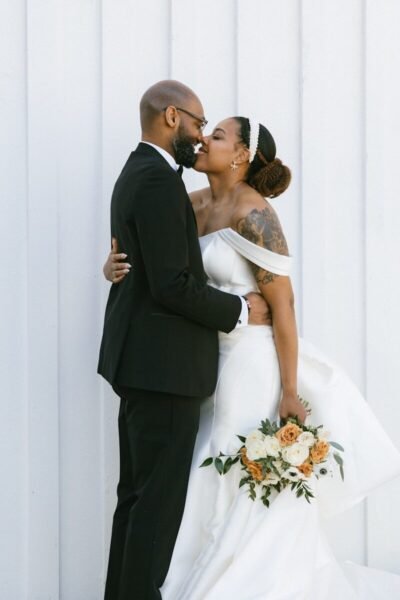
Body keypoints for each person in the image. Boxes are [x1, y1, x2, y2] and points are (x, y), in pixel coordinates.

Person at [104, 115, 400, 598]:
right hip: (195, 360)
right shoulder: (189, 203)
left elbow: (283, 307)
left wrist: (288, 390)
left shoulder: (255, 214)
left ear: (241, 155)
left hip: (248, 364)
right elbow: (160, 267)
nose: (203, 139)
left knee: (226, 465)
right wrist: (112, 265)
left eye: (217, 135)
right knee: (192, 473)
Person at [97, 81, 272, 600]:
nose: (199, 136)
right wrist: (240, 309)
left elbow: (148, 266)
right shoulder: (155, 180)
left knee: (136, 499)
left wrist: (115, 267)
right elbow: (173, 285)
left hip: (146, 365)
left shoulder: (141, 172)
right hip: (165, 370)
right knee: (155, 507)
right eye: (198, 124)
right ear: (172, 116)